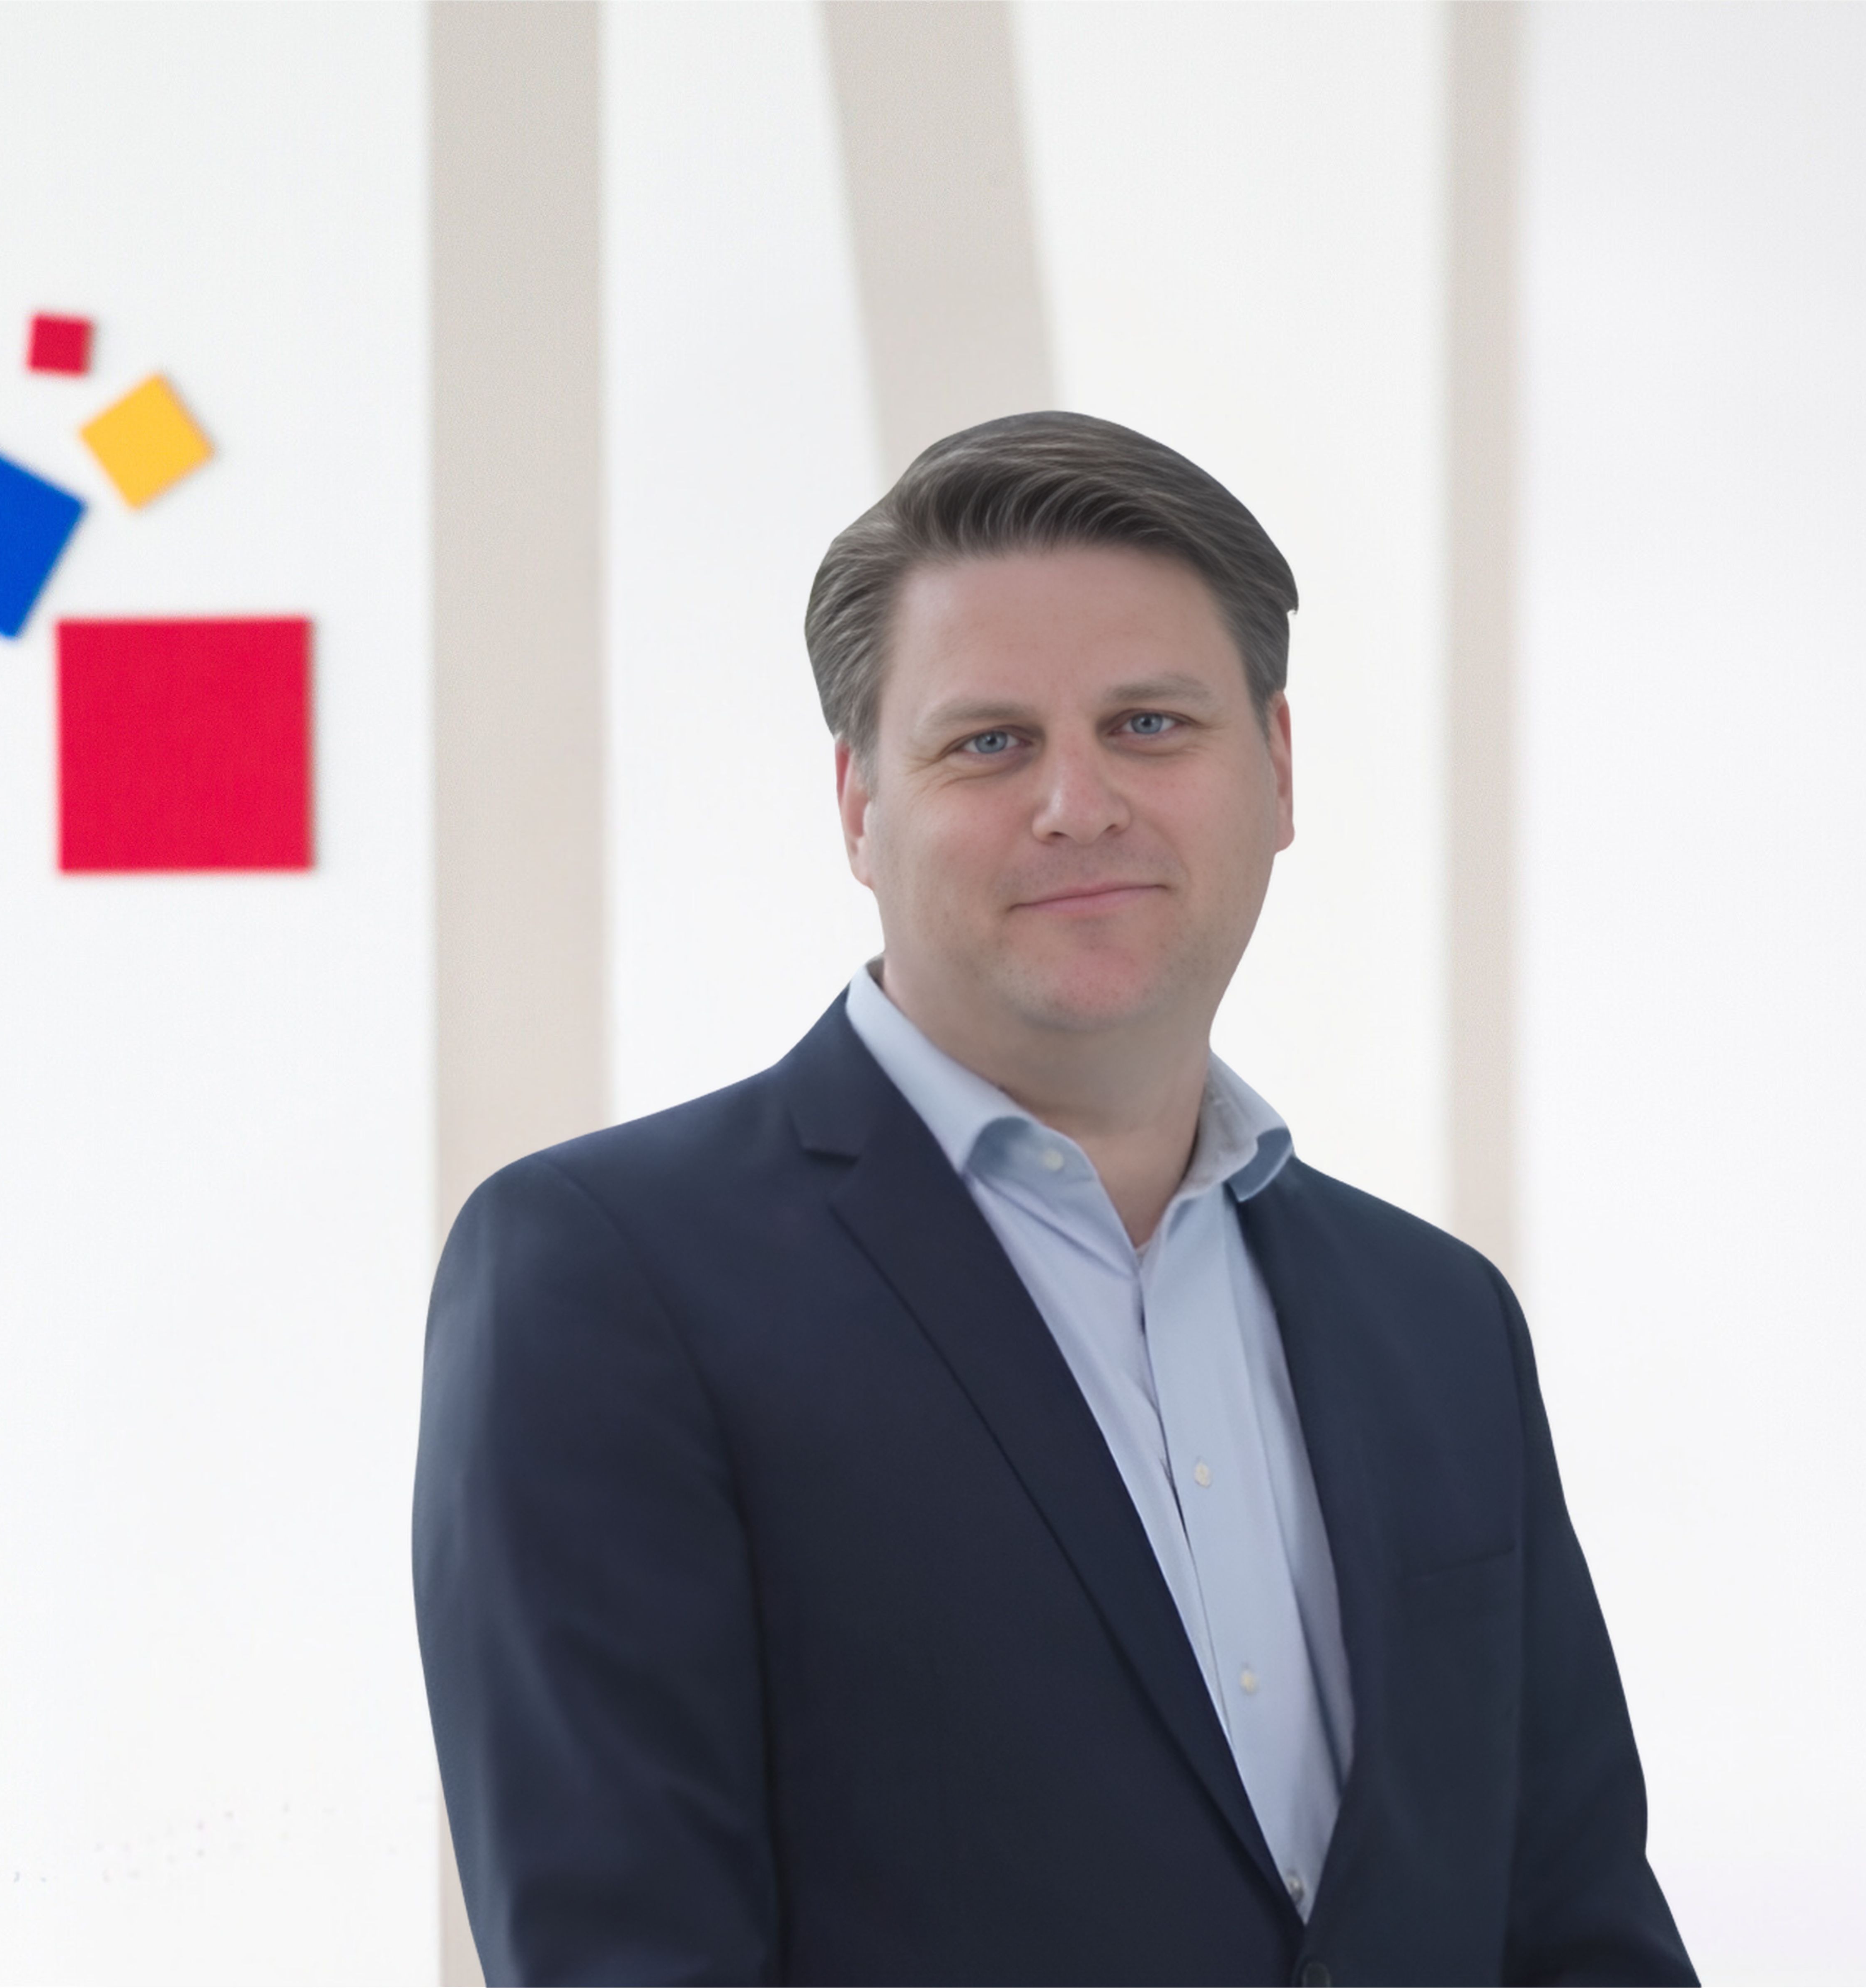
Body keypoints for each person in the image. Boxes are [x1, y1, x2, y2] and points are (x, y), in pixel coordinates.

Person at [414, 412, 1692, 1986]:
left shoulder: (1435, 1319)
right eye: (988, 742)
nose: (1078, 803)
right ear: (857, 806)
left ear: (1277, 770)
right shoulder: (607, 1278)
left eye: (1151, 725)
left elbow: (1573, 1934)